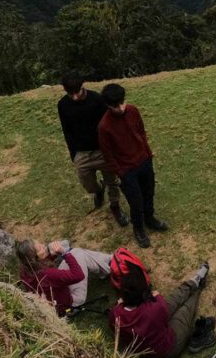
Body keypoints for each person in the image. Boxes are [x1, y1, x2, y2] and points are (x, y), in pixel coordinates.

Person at [98, 83, 168, 248]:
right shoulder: (104, 127)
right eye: (116, 106)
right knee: (135, 201)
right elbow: (108, 155)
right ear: (108, 106)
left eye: (122, 102)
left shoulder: (133, 110)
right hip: (127, 170)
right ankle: (138, 229)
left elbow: (141, 131)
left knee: (149, 192)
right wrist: (120, 171)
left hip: (144, 160)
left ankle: (150, 219)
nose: (121, 108)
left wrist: (148, 153)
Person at [57, 71, 128, 227]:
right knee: (88, 184)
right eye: (70, 93)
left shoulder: (97, 100)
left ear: (83, 86)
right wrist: (73, 154)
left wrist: (113, 150)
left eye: (77, 92)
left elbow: (109, 126)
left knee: (113, 182)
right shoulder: (63, 105)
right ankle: (98, 190)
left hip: (102, 150)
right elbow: (66, 130)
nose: (74, 97)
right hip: (82, 153)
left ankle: (115, 206)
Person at [108, 260, 211, 358]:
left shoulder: (114, 314)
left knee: (173, 303)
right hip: (168, 349)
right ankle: (198, 286)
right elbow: (161, 303)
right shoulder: (154, 308)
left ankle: (195, 282)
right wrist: (156, 295)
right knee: (184, 310)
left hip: (143, 349)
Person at [16, 239, 86, 316]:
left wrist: (51, 255)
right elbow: (79, 275)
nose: (44, 245)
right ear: (35, 258)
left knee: (75, 251)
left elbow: (40, 265)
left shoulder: (25, 271)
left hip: (54, 305)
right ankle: (101, 263)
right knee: (78, 252)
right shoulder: (48, 274)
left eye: (41, 243)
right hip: (69, 305)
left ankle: (101, 262)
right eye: (40, 248)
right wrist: (65, 253)